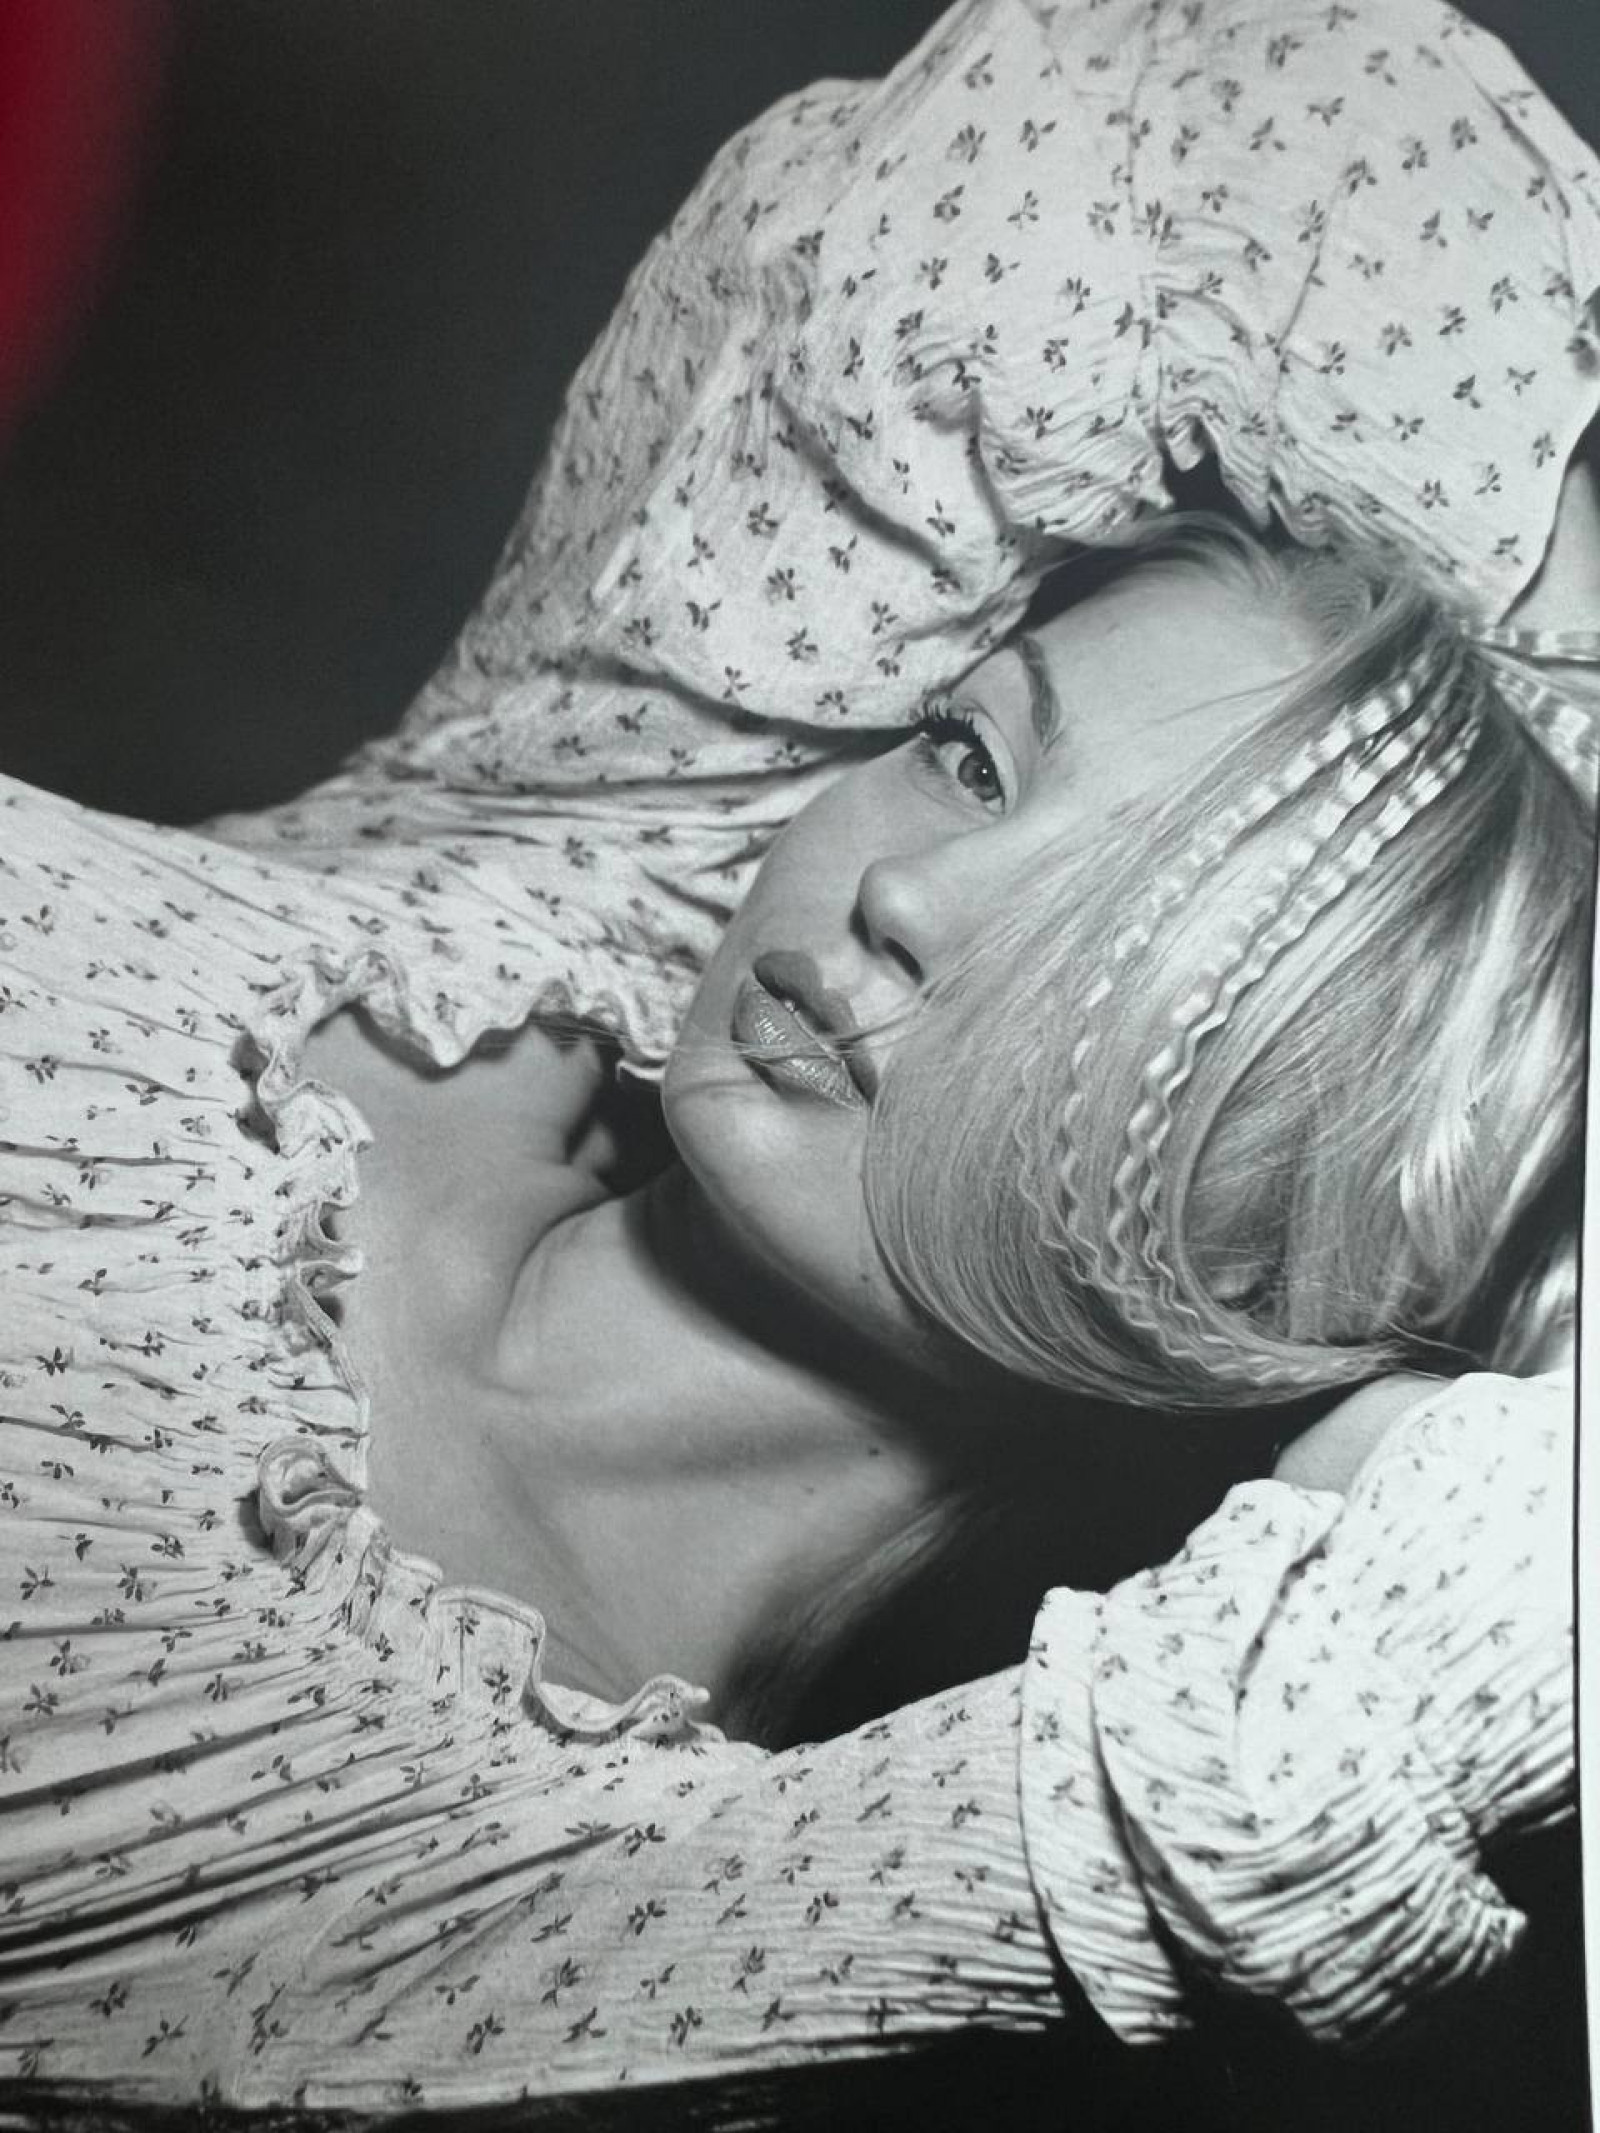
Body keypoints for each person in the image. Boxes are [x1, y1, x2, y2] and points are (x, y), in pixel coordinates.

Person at [1, 0, 1596, 2120]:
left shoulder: (553, 1898)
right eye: (972, 756)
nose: (906, 888)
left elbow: (1395, 1689)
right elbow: (1182, 123)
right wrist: (1535, 700)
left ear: (1329, 1278)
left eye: (1124, 953)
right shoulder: (540, 887)